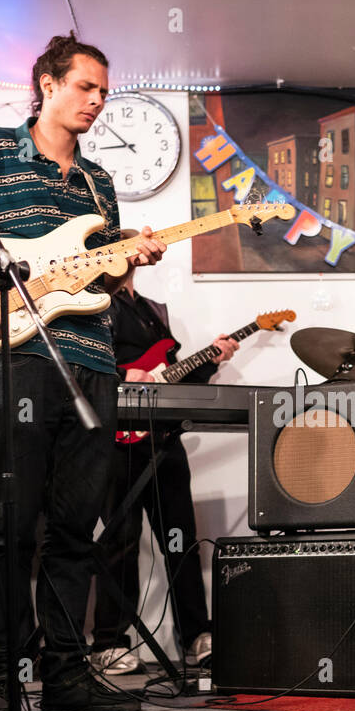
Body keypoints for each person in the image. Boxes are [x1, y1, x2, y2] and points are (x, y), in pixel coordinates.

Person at [0, 33, 165, 711]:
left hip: (93, 360)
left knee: (78, 527)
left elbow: (106, 278)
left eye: (105, 92)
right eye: (86, 87)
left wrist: (136, 257)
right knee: (10, 527)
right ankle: (3, 680)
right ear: (47, 83)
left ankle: (69, 675)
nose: (97, 102)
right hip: (18, 359)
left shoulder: (98, 182)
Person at [91, 247, 238, 674]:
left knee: (182, 542)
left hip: (163, 438)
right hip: (116, 441)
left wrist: (210, 359)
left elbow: (169, 372)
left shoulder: (153, 311)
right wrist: (121, 376)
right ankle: (109, 642)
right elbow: (79, 364)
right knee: (118, 542)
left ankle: (196, 637)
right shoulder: (92, 304)